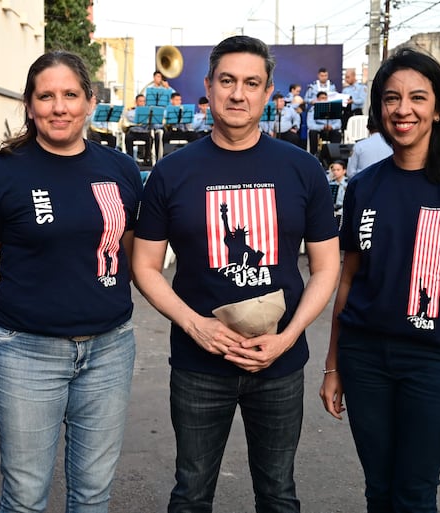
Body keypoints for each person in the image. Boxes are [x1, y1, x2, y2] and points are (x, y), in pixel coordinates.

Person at [133, 35, 341, 513]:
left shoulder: (303, 169)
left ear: (268, 92)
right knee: (190, 495)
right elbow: (144, 266)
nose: (238, 93)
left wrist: (288, 338)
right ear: (209, 86)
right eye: (227, 81)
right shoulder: (172, 171)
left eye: (252, 83)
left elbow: (327, 267)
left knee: (279, 495)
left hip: (280, 364)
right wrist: (195, 325)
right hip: (199, 363)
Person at [320, 45, 440, 513]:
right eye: (391, 98)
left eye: (417, 98)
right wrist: (333, 365)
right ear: (380, 108)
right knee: (378, 490)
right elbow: (348, 282)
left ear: (438, 107)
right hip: (364, 358)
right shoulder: (364, 187)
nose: (402, 109)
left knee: (413, 493)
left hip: (436, 364)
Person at [0, 50, 143, 513]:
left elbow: (136, 252)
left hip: (109, 350)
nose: (59, 107)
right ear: (29, 104)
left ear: (89, 101)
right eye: (46, 96)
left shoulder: (119, 170)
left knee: (94, 493)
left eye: (69, 95)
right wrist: (10, 326)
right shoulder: (0, 173)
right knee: (24, 495)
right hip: (26, 354)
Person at [307, 90, 342, 155]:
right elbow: (310, 125)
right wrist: (322, 127)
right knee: (312, 132)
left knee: (337, 133)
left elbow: (338, 123)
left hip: (330, 130)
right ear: (317, 99)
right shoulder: (312, 110)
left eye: (325, 98)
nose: (324, 100)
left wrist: (332, 127)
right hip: (319, 130)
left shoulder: (332, 109)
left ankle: (335, 155)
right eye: (322, 98)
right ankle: (314, 154)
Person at [328, 159, 347, 224]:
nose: (335, 172)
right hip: (332, 213)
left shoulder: (348, 183)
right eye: (333, 170)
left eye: (338, 170)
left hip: (343, 213)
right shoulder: (330, 184)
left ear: (344, 171)